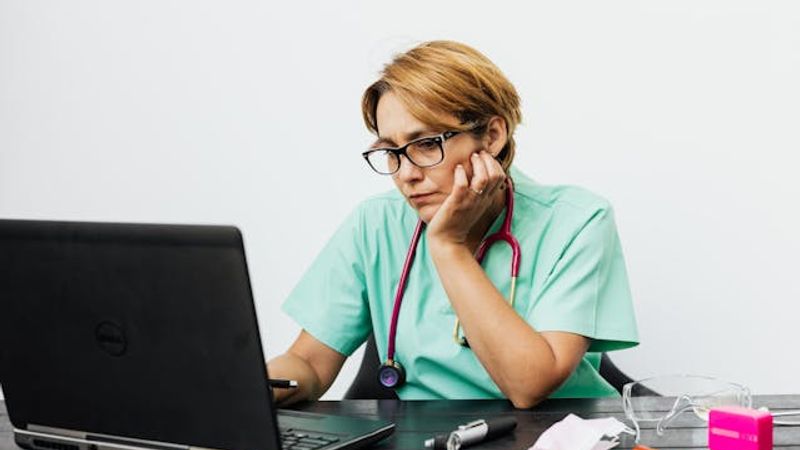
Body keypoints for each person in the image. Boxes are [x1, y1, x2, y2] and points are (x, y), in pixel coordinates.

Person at [268, 40, 638, 408]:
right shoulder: (376, 223)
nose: (407, 174)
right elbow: (309, 363)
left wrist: (448, 245)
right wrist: (247, 391)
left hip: (554, 444)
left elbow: (529, 387)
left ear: (492, 136)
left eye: (427, 144)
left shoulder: (578, 221)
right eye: (391, 152)